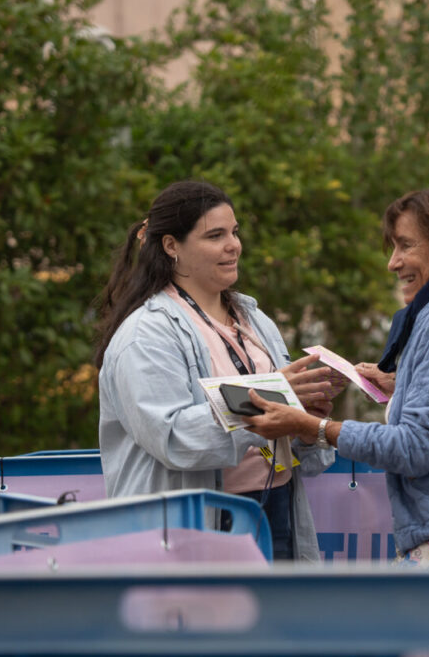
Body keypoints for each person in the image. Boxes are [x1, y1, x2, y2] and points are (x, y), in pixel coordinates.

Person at [246, 185, 429, 566]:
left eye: (406, 245)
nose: (393, 263)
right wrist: (404, 386)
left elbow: (418, 447)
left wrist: (316, 428)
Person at [94, 180, 336, 562]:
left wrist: (306, 419)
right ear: (171, 246)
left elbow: (300, 451)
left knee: (281, 622)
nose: (233, 245)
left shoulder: (255, 320)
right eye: (215, 235)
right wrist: (272, 393)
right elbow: (174, 438)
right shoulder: (145, 334)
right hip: (198, 527)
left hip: (278, 508)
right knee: (214, 623)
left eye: (235, 232)